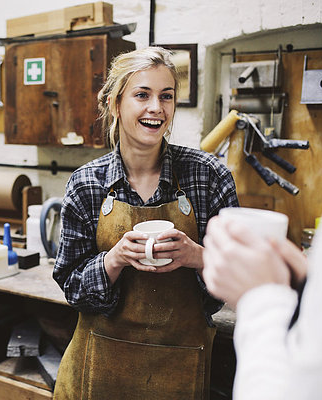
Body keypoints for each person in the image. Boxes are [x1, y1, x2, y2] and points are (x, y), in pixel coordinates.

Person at [52, 46, 239, 399]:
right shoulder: (86, 184)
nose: (156, 108)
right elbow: (71, 287)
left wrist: (197, 257)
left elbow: (239, 280)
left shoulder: (209, 176)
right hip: (99, 369)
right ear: (114, 103)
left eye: (166, 96)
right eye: (142, 94)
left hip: (180, 368)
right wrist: (114, 260)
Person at [202, 10, 322, 399]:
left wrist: (259, 298)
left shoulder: (207, 171)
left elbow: (299, 388)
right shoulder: (88, 180)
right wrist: (303, 283)